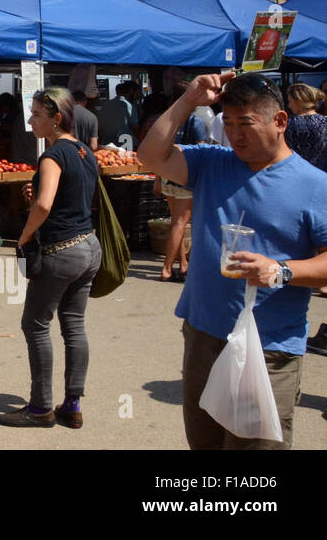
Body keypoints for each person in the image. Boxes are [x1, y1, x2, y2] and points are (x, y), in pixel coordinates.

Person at [139, 72, 327, 449]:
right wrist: (189, 99)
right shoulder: (214, 162)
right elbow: (150, 156)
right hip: (204, 334)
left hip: (269, 347)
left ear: (280, 121)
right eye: (228, 123)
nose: (235, 134)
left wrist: (281, 270)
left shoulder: (314, 185)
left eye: (246, 123)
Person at [0, 88, 102, 428]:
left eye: (37, 114)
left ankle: (41, 407)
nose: (30, 120)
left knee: (35, 324)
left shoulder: (53, 155)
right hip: (88, 247)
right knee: (73, 325)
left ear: (56, 118)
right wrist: (36, 192)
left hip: (62, 251)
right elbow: (71, 198)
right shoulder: (86, 151)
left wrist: (24, 236)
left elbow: (43, 206)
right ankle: (72, 404)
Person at [159, 82, 212, 283]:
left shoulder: (170, 119)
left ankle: (183, 264)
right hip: (186, 176)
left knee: (176, 221)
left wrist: (158, 177)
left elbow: (160, 150)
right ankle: (166, 268)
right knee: (180, 223)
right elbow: (201, 151)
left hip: (168, 174)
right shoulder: (195, 121)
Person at [285, 83, 327, 173]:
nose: (289, 106)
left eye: (290, 101)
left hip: (296, 173)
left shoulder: (288, 124)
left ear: (298, 101)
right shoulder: (325, 121)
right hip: (323, 175)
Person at [98, 81, 138, 150]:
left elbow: (100, 125)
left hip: (107, 142)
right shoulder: (129, 106)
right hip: (125, 144)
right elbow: (135, 127)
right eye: (137, 93)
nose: (138, 96)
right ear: (131, 91)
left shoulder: (106, 104)